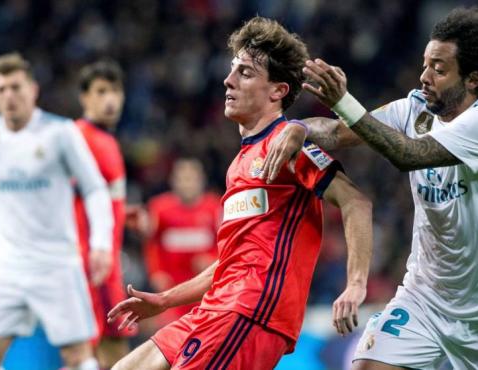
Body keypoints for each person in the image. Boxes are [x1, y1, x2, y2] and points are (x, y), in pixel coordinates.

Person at [260, 7, 478, 370]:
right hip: (425, 299)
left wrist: (342, 101)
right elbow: (340, 131)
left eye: (439, 69)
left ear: (472, 79)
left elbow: (409, 154)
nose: (424, 77)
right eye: (425, 64)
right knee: (367, 366)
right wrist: (299, 128)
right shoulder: (415, 109)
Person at [107, 16, 374, 370]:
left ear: (277, 91)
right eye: (232, 70)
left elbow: (356, 201)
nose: (227, 81)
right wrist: (164, 300)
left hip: (250, 312)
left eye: (245, 73)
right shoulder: (240, 163)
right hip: (214, 307)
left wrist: (355, 284)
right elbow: (231, 260)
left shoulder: (287, 143)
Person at [0, 52, 113, 370]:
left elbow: (94, 188)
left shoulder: (60, 133)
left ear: (32, 89)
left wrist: (101, 244)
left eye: (16, 87)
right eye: (0, 89)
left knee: (77, 357)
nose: (9, 96)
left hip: (57, 265)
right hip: (8, 267)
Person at [73, 59, 138, 369]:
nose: (110, 99)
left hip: (106, 264)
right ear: (85, 97)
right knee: (96, 352)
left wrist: (124, 213)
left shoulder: (106, 140)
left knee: (110, 349)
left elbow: (96, 201)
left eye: (115, 91)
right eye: (100, 91)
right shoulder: (78, 139)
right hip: (90, 265)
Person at [139, 158, 221, 325]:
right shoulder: (159, 208)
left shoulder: (215, 207)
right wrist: (155, 272)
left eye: (191, 179)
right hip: (171, 289)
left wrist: (212, 258)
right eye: (182, 179)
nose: (186, 184)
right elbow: (151, 244)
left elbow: (226, 241)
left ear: (201, 180)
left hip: (204, 287)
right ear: (173, 181)